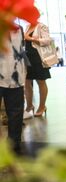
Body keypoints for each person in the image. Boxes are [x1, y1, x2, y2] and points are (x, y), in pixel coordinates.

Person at [0, 25, 26, 153]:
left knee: (15, 114)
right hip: (15, 76)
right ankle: (14, 144)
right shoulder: (18, 28)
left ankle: (14, 144)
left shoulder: (19, 28)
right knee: (15, 113)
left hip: (15, 77)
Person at [23, 22, 51, 118]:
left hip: (38, 57)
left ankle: (42, 106)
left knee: (41, 81)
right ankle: (29, 106)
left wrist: (30, 38)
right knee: (27, 82)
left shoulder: (42, 26)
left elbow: (47, 41)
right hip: (28, 57)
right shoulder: (27, 27)